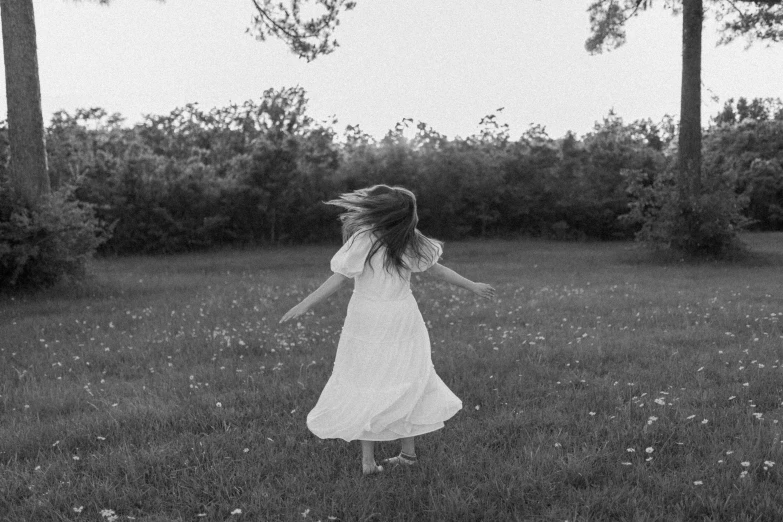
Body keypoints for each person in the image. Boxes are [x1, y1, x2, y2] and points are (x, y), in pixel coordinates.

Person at [280, 184, 495, 475]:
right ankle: (405, 455)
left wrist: (305, 304)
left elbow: (338, 279)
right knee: (406, 379)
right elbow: (438, 270)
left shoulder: (366, 239)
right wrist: (472, 285)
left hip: (371, 318)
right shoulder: (408, 240)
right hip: (398, 317)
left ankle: (371, 462)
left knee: (368, 379)